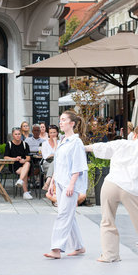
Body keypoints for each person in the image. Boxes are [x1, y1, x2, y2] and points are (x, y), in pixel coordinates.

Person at [85, 125, 138, 263]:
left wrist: (83, 147)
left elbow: (101, 147)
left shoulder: (122, 144)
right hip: (130, 189)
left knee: (107, 220)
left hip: (111, 184)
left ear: (134, 135)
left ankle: (109, 255)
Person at [44, 111, 88, 259]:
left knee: (63, 214)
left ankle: (56, 249)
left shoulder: (76, 142)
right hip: (61, 182)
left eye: (64, 120)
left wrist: (72, 185)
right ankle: (79, 246)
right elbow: (58, 163)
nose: (60, 122)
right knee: (68, 214)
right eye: (60, 119)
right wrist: (53, 182)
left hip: (70, 184)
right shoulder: (63, 140)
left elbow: (78, 166)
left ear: (72, 123)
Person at [4, 127, 33, 200]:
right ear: (13, 135)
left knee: (27, 164)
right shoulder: (9, 144)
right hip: (14, 166)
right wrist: (15, 159)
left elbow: (28, 158)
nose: (17, 136)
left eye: (19, 134)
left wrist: (24, 160)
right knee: (25, 171)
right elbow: (5, 157)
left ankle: (20, 181)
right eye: (16, 134)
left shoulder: (25, 144)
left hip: (23, 164)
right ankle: (25, 192)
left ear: (21, 135)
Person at [41, 125, 59, 191]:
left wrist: (55, 142)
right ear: (48, 134)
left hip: (58, 164)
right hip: (47, 163)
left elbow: (59, 154)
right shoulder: (44, 143)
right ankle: (53, 189)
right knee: (55, 164)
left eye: (54, 132)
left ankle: (47, 182)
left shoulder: (60, 142)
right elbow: (45, 156)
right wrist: (54, 155)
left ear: (57, 133)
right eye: (51, 133)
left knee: (56, 163)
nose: (53, 134)